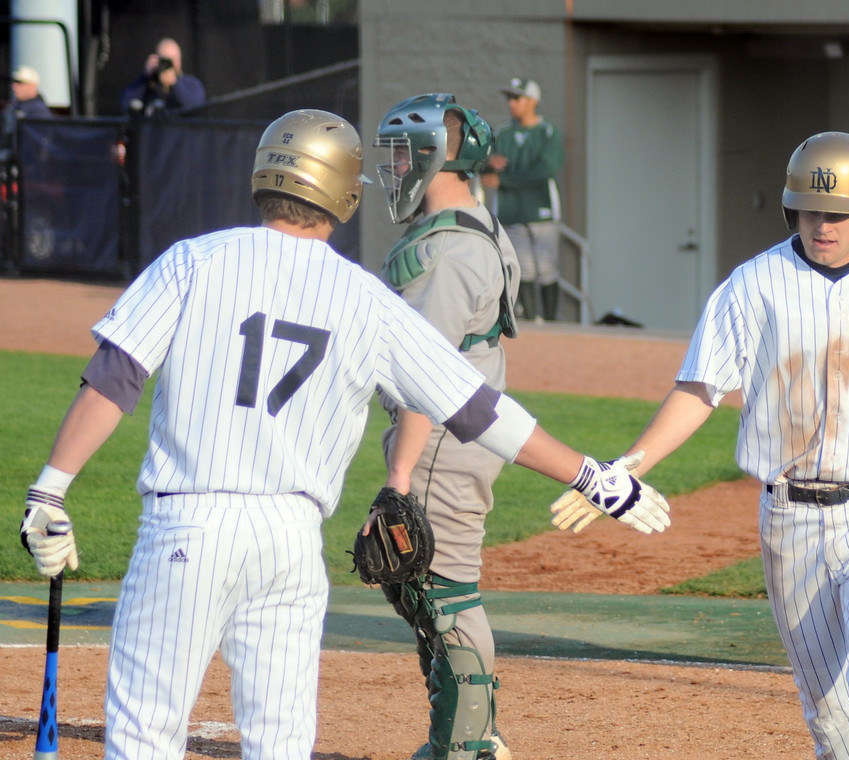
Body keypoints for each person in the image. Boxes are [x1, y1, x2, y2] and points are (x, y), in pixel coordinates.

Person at [18, 108, 669, 760]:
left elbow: (114, 378)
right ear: (345, 195)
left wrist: (50, 491)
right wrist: (592, 476)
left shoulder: (193, 260)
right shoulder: (367, 298)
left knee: (144, 732)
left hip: (187, 528)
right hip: (291, 544)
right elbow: (478, 410)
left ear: (264, 174)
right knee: (280, 741)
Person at [582, 131, 849, 760]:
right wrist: (632, 463)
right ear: (790, 210)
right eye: (809, 211)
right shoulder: (754, 285)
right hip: (790, 519)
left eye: (837, 213)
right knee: (826, 705)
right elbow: (701, 387)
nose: (822, 225)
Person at [372, 93, 523, 760]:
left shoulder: (448, 251)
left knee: (443, 591)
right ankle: (469, 732)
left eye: (403, 154)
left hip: (439, 442)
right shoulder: (473, 226)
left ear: (437, 157)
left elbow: (423, 376)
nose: (394, 167)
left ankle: (465, 745)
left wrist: (398, 476)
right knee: (420, 587)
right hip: (457, 434)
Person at [481, 77, 564, 322]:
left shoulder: (547, 131)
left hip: (542, 210)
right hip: (511, 211)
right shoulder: (503, 132)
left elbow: (544, 170)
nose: (512, 103)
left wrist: (504, 179)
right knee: (523, 270)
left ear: (532, 101)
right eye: (510, 98)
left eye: (517, 98)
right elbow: (481, 170)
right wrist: (489, 165)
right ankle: (531, 323)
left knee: (547, 270)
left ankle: (551, 324)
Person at [119, 37, 205, 115]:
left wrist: (174, 84)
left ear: (179, 60)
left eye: (172, 60)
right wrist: (145, 77)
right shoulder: (148, 85)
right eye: (164, 61)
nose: (169, 65)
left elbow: (195, 107)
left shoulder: (191, 84)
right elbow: (126, 103)